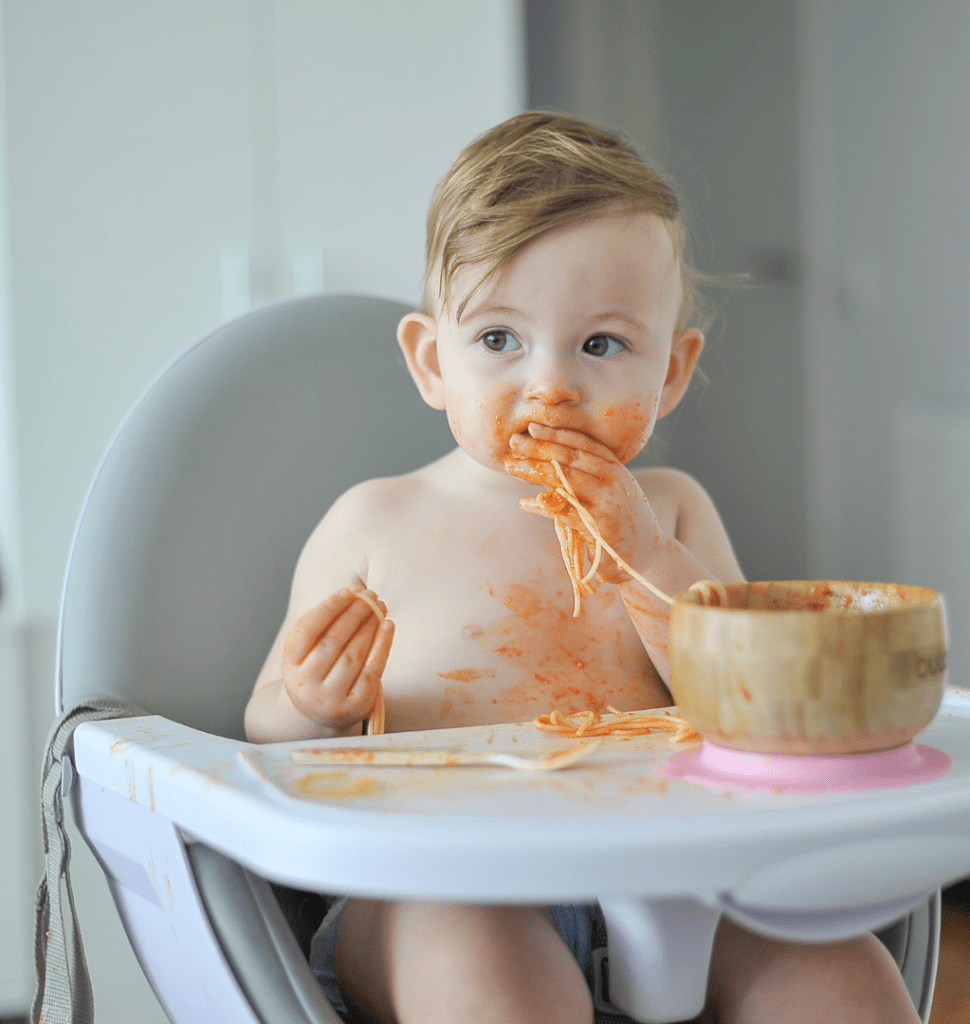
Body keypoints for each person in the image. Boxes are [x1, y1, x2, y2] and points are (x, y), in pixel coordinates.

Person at [245, 112, 919, 1024]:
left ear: (670, 374)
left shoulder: (672, 512)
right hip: (435, 883)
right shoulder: (375, 522)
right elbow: (268, 744)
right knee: (485, 976)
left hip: (686, 878)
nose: (548, 386)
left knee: (841, 979)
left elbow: (752, 712)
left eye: (601, 345)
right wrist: (310, 704)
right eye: (498, 341)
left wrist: (644, 556)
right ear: (430, 360)